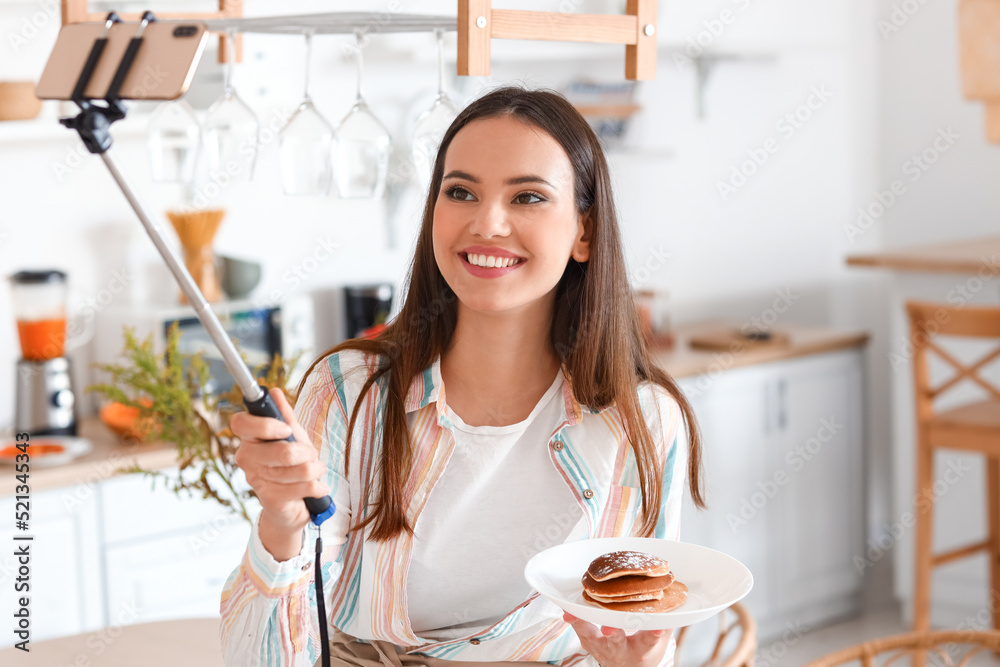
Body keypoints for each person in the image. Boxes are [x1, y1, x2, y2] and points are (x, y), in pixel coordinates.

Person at [220, 85, 705, 667]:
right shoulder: (349, 392)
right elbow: (261, 659)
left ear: (585, 232)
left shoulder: (642, 422)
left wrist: (638, 662)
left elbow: (644, 629)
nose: (488, 223)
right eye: (461, 192)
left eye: (527, 196)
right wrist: (282, 522)